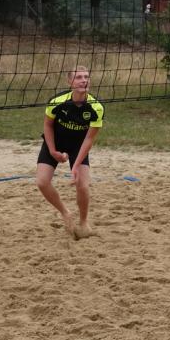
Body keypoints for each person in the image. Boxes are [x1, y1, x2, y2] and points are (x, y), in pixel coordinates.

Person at [36, 66, 103, 240]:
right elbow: (47, 126)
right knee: (42, 182)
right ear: (70, 82)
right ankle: (65, 212)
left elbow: (89, 139)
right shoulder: (57, 101)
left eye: (86, 77)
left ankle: (83, 222)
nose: (83, 80)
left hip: (78, 146)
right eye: (79, 77)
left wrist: (76, 166)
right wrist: (53, 151)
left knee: (83, 184)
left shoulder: (96, 107)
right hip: (55, 141)